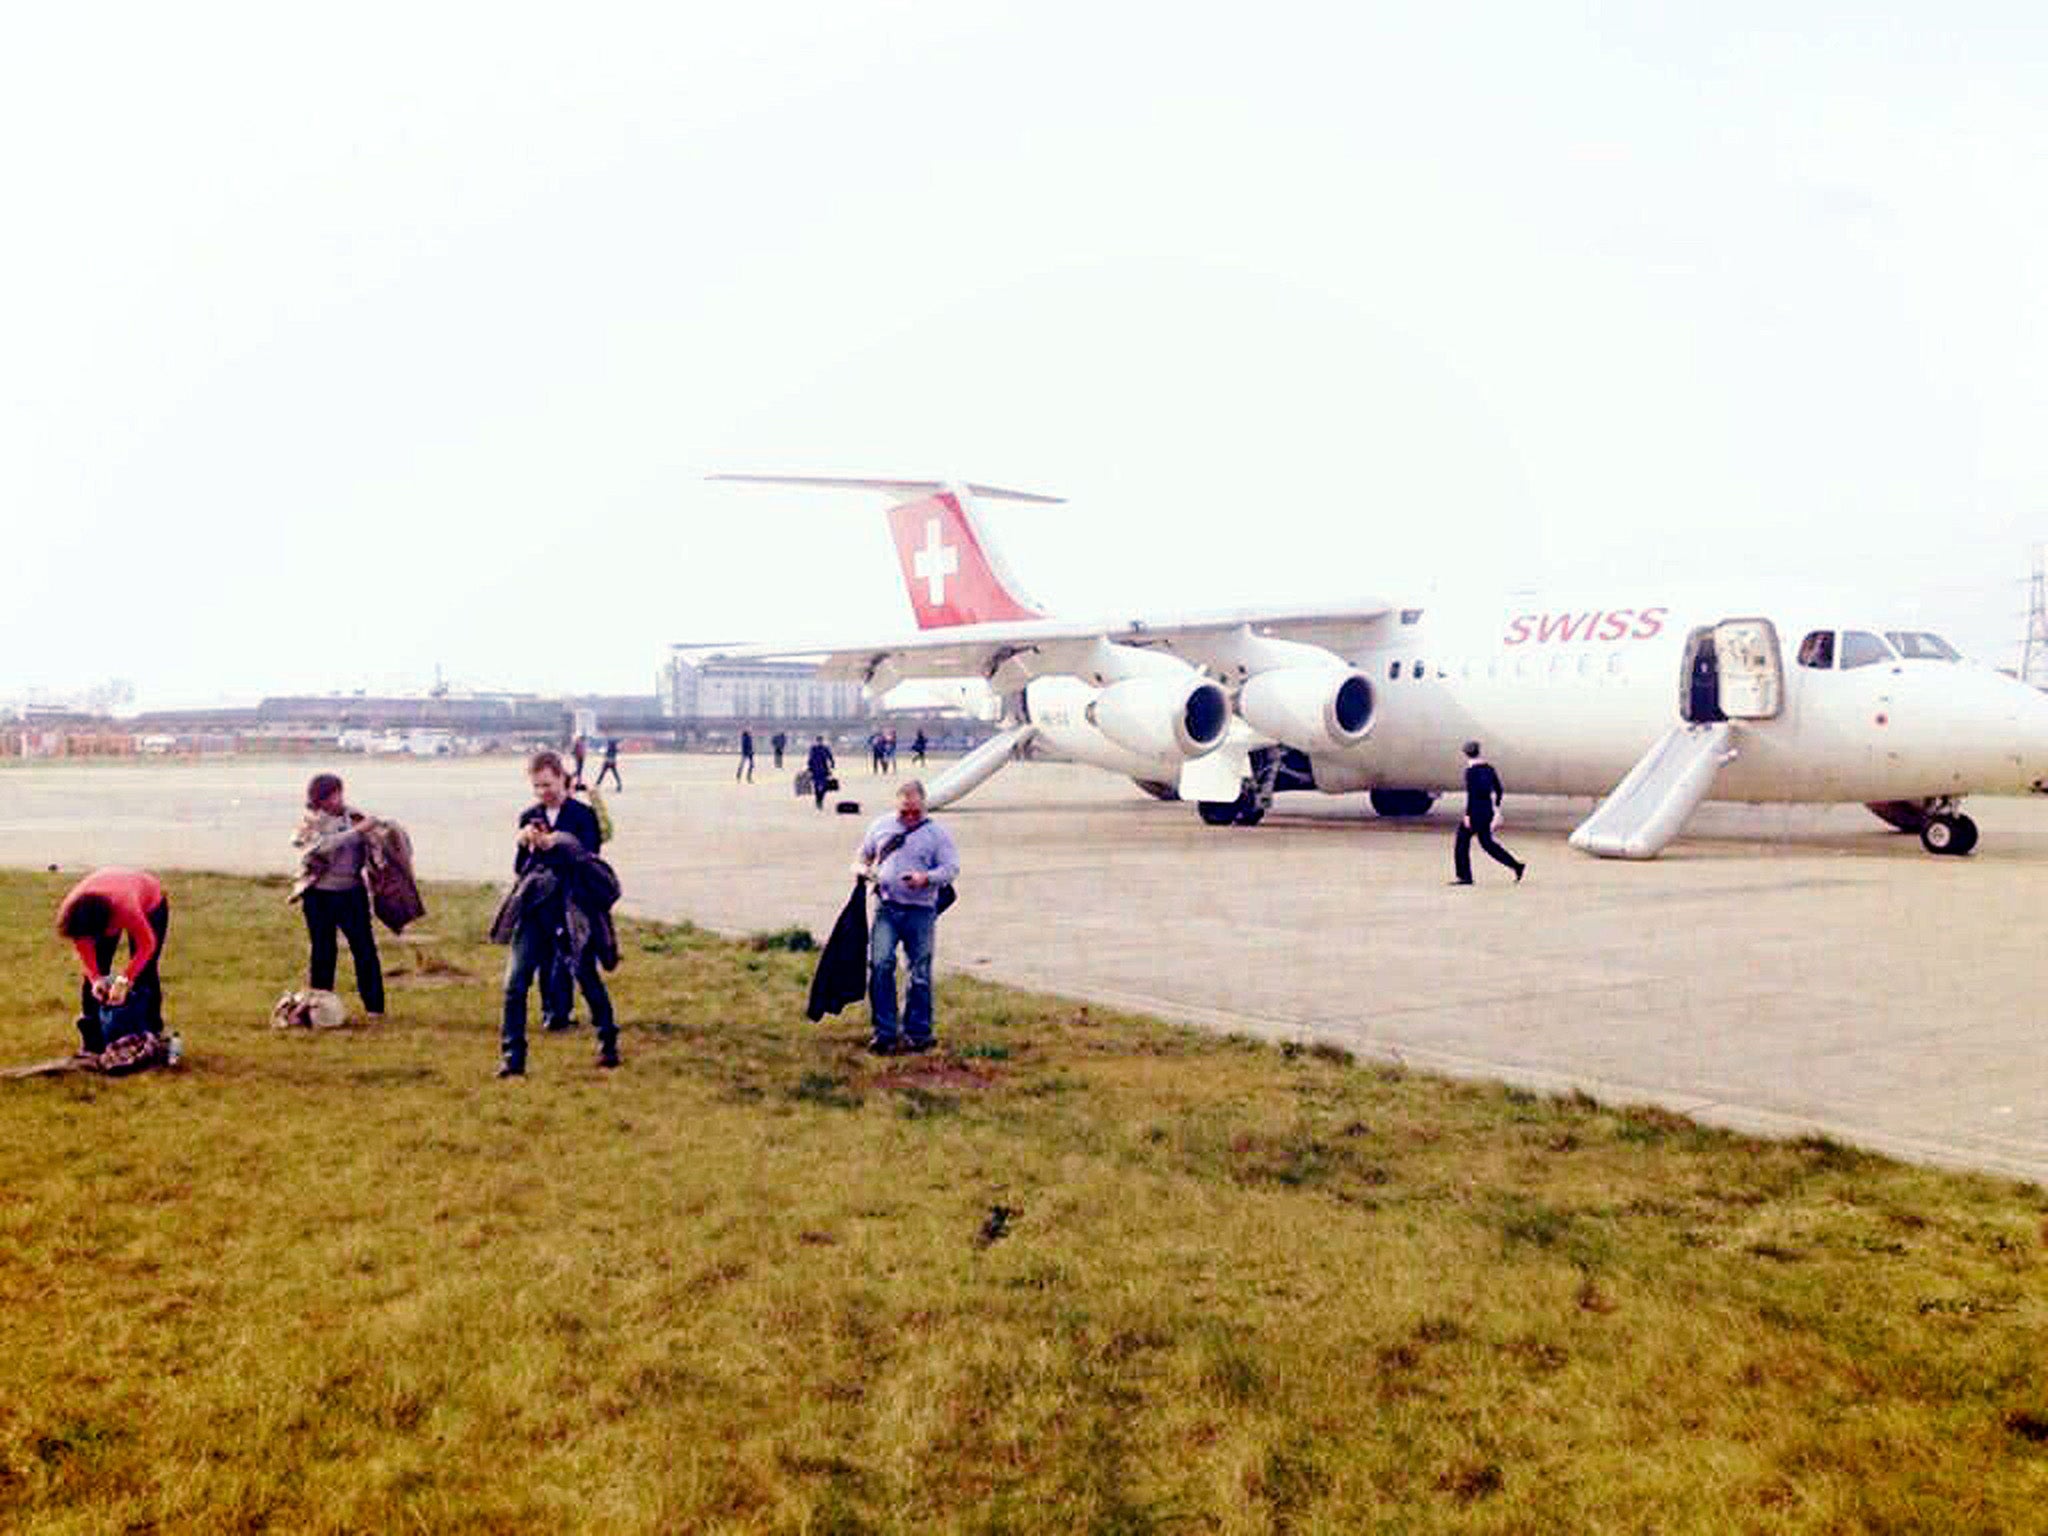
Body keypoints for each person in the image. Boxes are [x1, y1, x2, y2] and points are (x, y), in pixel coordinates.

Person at [499, 750, 618, 1076]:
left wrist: (558, 843)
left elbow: (588, 858)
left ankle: (608, 1040)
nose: (542, 792)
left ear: (563, 779)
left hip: (573, 908)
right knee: (515, 981)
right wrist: (525, 843)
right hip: (537, 909)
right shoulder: (529, 815)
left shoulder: (582, 815)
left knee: (585, 975)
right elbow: (520, 869)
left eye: (547, 785)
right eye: (536, 786)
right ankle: (512, 1058)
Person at [853, 779, 958, 1055]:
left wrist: (926, 878)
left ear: (924, 806)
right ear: (896, 805)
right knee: (880, 964)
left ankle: (919, 1032)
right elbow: (861, 857)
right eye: (904, 812)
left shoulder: (937, 834)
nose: (909, 817)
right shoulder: (880, 826)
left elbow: (950, 868)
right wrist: (865, 871)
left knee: (920, 972)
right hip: (887, 908)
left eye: (915, 812)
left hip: (921, 910)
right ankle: (885, 1032)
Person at [292, 773, 385, 1019]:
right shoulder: (310, 821)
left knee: (364, 949)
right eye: (332, 795)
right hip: (319, 894)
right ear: (319, 798)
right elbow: (318, 846)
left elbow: (377, 846)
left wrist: (378, 834)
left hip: (352, 893)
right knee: (323, 950)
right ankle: (321, 1008)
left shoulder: (353, 816)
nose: (338, 799)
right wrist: (356, 833)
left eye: (339, 793)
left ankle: (374, 1006)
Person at [55, 868, 170, 1052]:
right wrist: (95, 980)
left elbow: (147, 945)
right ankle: (93, 1042)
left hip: (150, 900)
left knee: (145, 971)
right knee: (97, 971)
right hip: (104, 901)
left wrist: (125, 979)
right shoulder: (74, 914)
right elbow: (83, 946)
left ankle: (152, 1033)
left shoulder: (125, 907)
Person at [1452, 740, 1525, 886]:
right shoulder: (1489, 769)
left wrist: (1467, 815)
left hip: (1475, 812)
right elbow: (1499, 790)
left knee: (1461, 842)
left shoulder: (1471, 772)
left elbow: (1472, 794)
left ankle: (1465, 876)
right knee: (1487, 843)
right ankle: (1516, 865)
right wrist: (1496, 807)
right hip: (1487, 811)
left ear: (1466, 754)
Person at [807, 736, 836, 811]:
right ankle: (818, 800)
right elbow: (810, 758)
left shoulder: (825, 748)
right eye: (818, 741)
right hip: (815, 770)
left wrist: (832, 763)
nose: (819, 742)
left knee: (824, 786)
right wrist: (809, 768)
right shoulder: (813, 748)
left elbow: (830, 756)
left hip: (824, 769)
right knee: (816, 786)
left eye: (820, 741)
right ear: (816, 741)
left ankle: (820, 799)